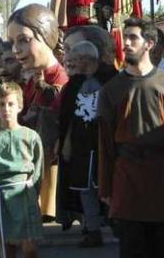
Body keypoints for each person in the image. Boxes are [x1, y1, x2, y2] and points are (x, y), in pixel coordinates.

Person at [98, 18, 164, 258]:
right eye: (125, 38)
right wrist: (106, 187)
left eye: (133, 38)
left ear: (149, 44)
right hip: (127, 179)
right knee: (132, 250)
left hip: (163, 177)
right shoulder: (110, 90)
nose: (126, 43)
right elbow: (104, 143)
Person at [8, 4, 69, 221]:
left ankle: (48, 209)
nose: (16, 49)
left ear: (46, 37)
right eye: (13, 42)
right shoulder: (28, 77)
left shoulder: (58, 78)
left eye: (24, 40)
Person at [0, 82, 44, 258]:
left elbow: (39, 169)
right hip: (0, 195)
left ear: (19, 106)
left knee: (30, 247)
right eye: (1, 104)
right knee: (7, 246)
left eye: (11, 104)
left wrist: (35, 193)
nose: (6, 109)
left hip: (24, 194)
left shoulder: (31, 136)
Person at [56, 41, 113, 247]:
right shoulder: (72, 86)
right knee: (85, 188)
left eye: (76, 60)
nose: (73, 64)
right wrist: (65, 144)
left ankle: (119, 223)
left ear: (85, 60)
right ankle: (93, 229)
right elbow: (68, 118)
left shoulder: (110, 80)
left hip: (104, 144)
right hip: (81, 145)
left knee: (110, 185)